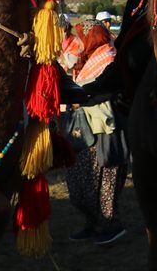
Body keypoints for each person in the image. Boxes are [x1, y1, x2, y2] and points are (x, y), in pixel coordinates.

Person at [60, 19, 127, 246]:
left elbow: (111, 90)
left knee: (105, 179)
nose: (77, 42)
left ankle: (110, 225)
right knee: (80, 180)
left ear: (92, 36)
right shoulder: (84, 61)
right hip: (83, 128)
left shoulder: (109, 57)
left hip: (104, 130)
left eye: (81, 37)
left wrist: (83, 97)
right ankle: (91, 222)